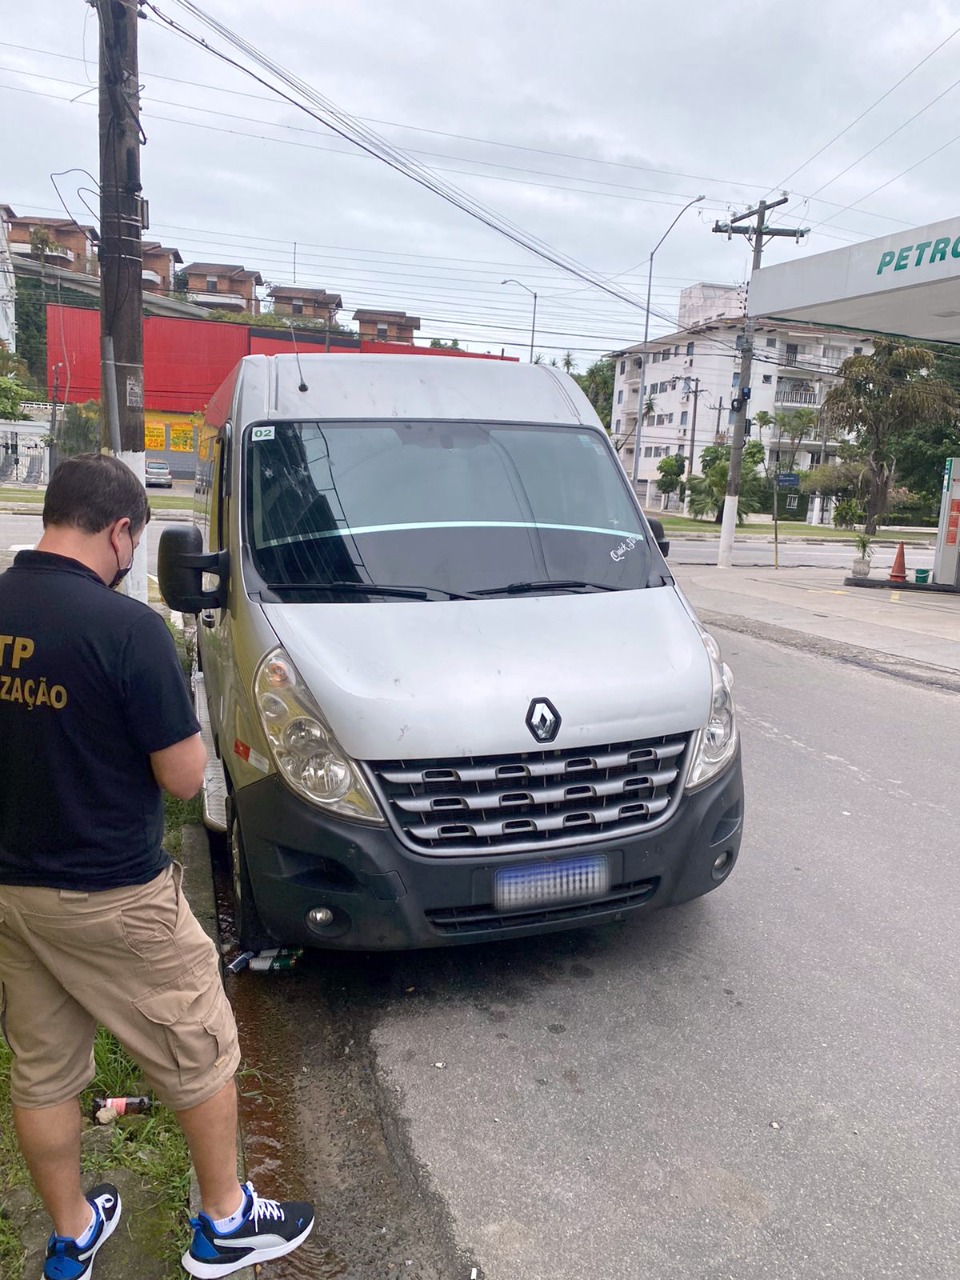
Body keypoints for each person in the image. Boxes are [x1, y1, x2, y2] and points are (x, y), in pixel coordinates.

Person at [0, 454, 314, 1279]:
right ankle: (224, 1221)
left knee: (42, 1072)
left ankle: (71, 1238)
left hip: (12, 892)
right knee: (201, 1046)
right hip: (112, 893)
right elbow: (182, 777)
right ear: (121, 531)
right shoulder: (126, 629)